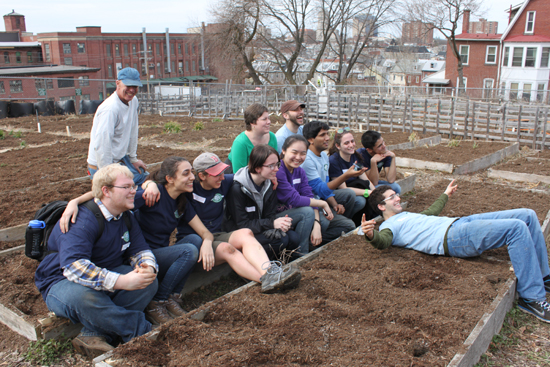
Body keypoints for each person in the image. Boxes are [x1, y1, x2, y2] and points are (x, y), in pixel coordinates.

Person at [361, 180, 550, 323]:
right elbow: (383, 242)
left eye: (396, 194)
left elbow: (431, 211)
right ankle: (531, 298)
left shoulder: (405, 215)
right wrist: (371, 235)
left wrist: (445, 194)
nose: (398, 197)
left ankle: (543, 277)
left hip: (460, 222)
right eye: (392, 197)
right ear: (381, 206)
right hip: (453, 238)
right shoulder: (389, 226)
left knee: (528, 215)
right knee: (516, 228)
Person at [61, 157, 204, 325]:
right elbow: (106, 195)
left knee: (194, 240)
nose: (192, 177)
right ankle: (158, 301)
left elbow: (202, 231)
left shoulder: (181, 200)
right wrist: (75, 201)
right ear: (170, 179)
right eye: (186, 173)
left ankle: (172, 297)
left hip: (153, 256)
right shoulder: (152, 194)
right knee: (188, 251)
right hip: (139, 256)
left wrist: (208, 241)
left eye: (192, 172)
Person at [34, 164, 158, 358]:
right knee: (85, 297)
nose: (134, 191)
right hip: (60, 282)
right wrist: (121, 281)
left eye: (134, 186)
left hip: (103, 272)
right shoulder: (82, 219)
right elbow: (74, 268)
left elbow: (140, 250)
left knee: (148, 282)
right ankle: (139, 329)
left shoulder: (125, 216)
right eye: (127, 187)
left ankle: (93, 333)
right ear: (106, 191)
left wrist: (147, 267)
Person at [175, 152, 302, 293]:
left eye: (223, 172)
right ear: (202, 176)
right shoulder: (188, 189)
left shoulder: (223, 182)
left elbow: (248, 175)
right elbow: (163, 183)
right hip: (196, 241)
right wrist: (150, 184)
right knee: (227, 249)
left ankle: (271, 274)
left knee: (246, 233)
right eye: (217, 174)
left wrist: (270, 177)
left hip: (217, 234)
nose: (223, 177)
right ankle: (268, 279)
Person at [276, 134, 355, 248]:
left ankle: (311, 243)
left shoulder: (299, 171)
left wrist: (316, 224)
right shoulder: (279, 171)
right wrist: (322, 203)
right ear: (283, 151)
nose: (298, 157)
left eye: (303, 153)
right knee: (309, 213)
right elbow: (294, 199)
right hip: (282, 215)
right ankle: (300, 253)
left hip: (300, 211)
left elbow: (309, 195)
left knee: (348, 225)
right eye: (294, 152)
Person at [224, 144, 301, 260]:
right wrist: (272, 224)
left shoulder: (269, 183)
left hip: (259, 227)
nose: (277, 169)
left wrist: (280, 223)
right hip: (241, 234)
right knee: (281, 240)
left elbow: (269, 214)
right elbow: (242, 225)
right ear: (257, 168)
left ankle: (283, 264)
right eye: (271, 166)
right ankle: (261, 267)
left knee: (294, 237)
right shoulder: (238, 189)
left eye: (277, 164)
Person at [87, 67, 148, 186]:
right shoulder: (110, 109)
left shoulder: (133, 101)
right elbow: (102, 144)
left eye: (135, 86)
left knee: (147, 180)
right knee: (120, 197)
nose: (131, 90)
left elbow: (133, 130)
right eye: (128, 86)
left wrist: (133, 159)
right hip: (101, 165)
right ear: (118, 83)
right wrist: (109, 173)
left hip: (120, 160)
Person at [301, 121, 365, 222]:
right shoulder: (308, 160)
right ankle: (335, 222)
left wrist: (335, 204)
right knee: (345, 222)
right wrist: (346, 176)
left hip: (322, 196)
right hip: (312, 201)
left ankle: (340, 218)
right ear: (311, 140)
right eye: (322, 135)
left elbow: (325, 185)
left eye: (327, 134)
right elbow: (320, 189)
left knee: (352, 196)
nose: (327, 138)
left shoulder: (324, 156)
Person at [328, 127, 375, 226]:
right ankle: (346, 221)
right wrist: (367, 192)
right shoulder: (334, 161)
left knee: (383, 190)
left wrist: (374, 192)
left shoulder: (355, 156)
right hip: (342, 195)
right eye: (346, 143)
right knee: (360, 201)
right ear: (338, 146)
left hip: (356, 189)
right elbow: (344, 189)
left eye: (352, 141)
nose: (351, 145)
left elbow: (365, 179)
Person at [227, 103, 278, 173]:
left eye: (268, 118)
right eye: (264, 119)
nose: (269, 122)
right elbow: (238, 174)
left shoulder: (272, 137)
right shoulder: (240, 143)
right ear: (252, 122)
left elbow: (275, 164)